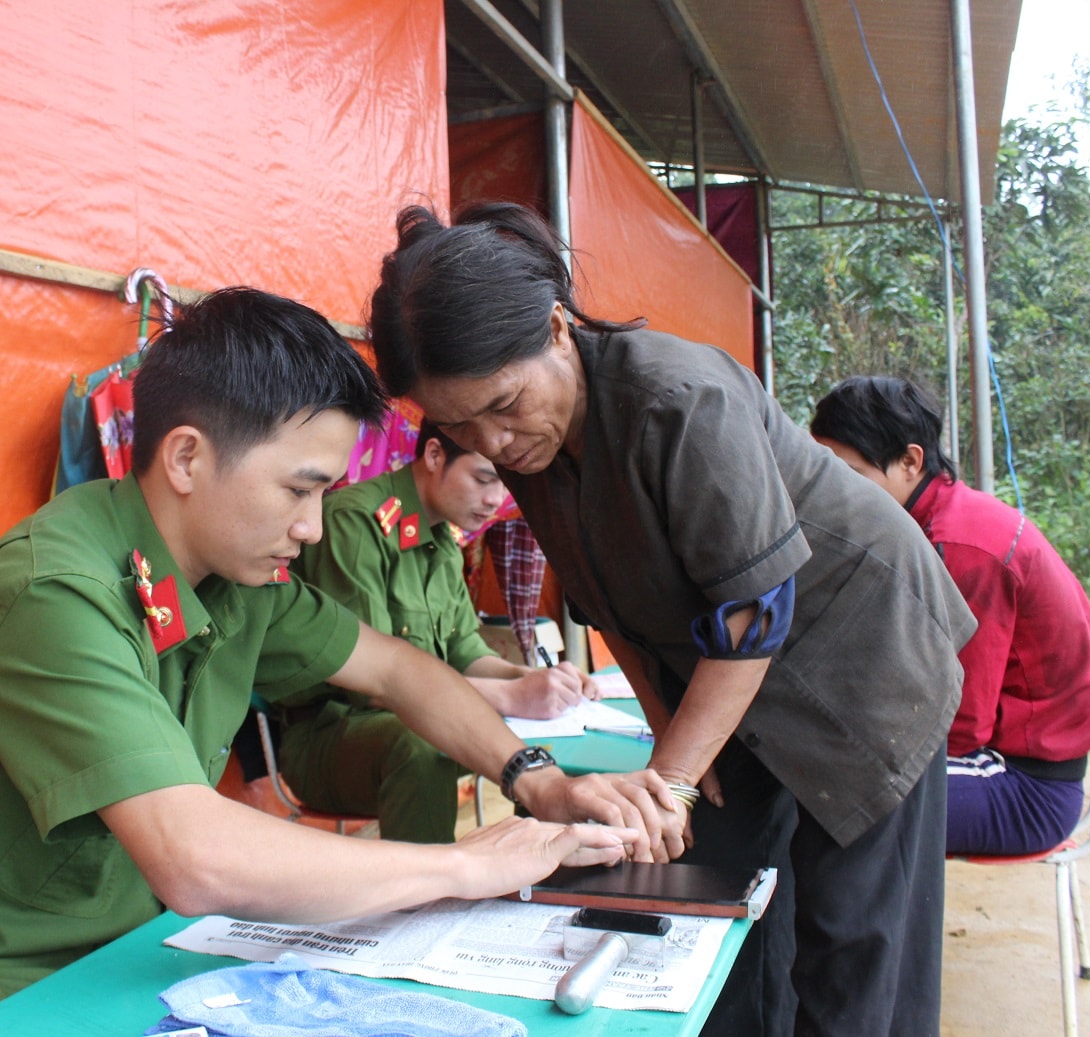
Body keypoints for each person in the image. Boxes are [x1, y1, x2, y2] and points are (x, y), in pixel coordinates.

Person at [0, 287, 659, 1037]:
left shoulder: (234, 580)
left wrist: (535, 777)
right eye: (299, 488)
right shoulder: (52, 593)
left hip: (115, 948)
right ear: (185, 458)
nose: (315, 526)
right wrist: (465, 866)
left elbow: (399, 669)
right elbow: (194, 859)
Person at [366, 202, 978, 1037]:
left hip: (864, 658)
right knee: (713, 910)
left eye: (503, 404)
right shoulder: (540, 454)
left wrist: (678, 777)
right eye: (459, 424)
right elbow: (607, 603)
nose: (494, 441)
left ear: (555, 328)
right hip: (733, 682)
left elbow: (758, 609)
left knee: (852, 944)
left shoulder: (678, 400)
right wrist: (671, 745)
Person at [811, 375, 1090, 856]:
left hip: (1024, 785)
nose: (835, 493)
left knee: (829, 800)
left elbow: (958, 723)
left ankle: (876, 933)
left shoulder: (960, 547)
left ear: (911, 461)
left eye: (851, 473)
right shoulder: (929, 521)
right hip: (1002, 761)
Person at [279, 418, 600, 843]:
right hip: (330, 736)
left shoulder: (442, 538)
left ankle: (546, 877)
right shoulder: (354, 524)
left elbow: (467, 651)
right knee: (423, 743)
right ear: (434, 456)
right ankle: (427, 899)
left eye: (505, 485)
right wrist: (510, 696)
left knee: (540, 741)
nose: (496, 500)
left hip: (402, 723)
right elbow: (371, 686)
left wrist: (534, 680)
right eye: (485, 479)